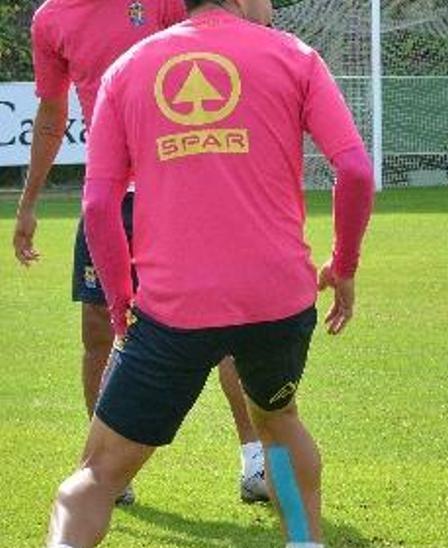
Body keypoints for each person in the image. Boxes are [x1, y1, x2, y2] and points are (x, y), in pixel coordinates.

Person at [45, 0, 375, 544]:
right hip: (279, 299)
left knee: (94, 477)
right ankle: (304, 540)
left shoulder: (128, 69)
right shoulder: (295, 56)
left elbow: (100, 204)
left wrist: (120, 297)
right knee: (278, 421)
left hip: (173, 307)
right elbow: (356, 170)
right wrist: (343, 267)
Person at [16, 0, 269, 504]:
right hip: (108, 196)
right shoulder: (51, 18)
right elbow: (50, 113)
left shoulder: (164, 1)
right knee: (97, 329)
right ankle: (104, 470)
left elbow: (232, 36)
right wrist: (28, 202)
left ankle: (257, 461)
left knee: (224, 325)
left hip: (179, 189)